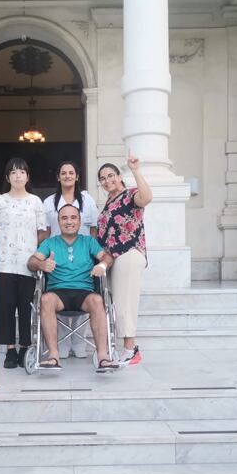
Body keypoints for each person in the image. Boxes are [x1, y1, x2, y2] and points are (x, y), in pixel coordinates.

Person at [27, 204, 118, 372]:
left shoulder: (88, 241)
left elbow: (107, 257)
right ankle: (53, 356)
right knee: (45, 299)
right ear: (59, 222)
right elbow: (32, 261)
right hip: (58, 293)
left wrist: (103, 265)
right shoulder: (50, 243)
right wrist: (42, 263)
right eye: (64, 218)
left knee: (98, 300)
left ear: (80, 221)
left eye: (73, 217)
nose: (69, 221)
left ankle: (103, 356)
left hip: (84, 293)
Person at [0, 157, 48, 369]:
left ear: (27, 176)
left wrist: (35, 252)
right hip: (3, 264)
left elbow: (43, 232)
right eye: (13, 172)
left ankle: (25, 347)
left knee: (26, 307)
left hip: (28, 264)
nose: (17, 175)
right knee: (5, 308)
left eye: (22, 171)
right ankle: (9, 350)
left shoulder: (35, 202)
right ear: (7, 177)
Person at [96, 151, 152, 366]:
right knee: (117, 303)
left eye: (111, 175)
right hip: (113, 258)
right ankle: (125, 347)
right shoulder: (109, 202)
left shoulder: (130, 195)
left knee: (125, 302)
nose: (107, 180)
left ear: (119, 176)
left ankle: (131, 349)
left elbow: (146, 198)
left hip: (129, 254)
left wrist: (136, 170)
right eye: (102, 178)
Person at [43, 161, 99, 359]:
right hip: (56, 255)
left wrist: (93, 254)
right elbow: (46, 231)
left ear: (77, 176)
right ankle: (64, 343)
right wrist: (40, 256)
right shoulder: (49, 202)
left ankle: (79, 342)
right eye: (63, 173)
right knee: (60, 294)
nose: (67, 176)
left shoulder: (87, 200)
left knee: (83, 292)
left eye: (71, 173)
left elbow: (93, 228)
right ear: (58, 177)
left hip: (83, 254)